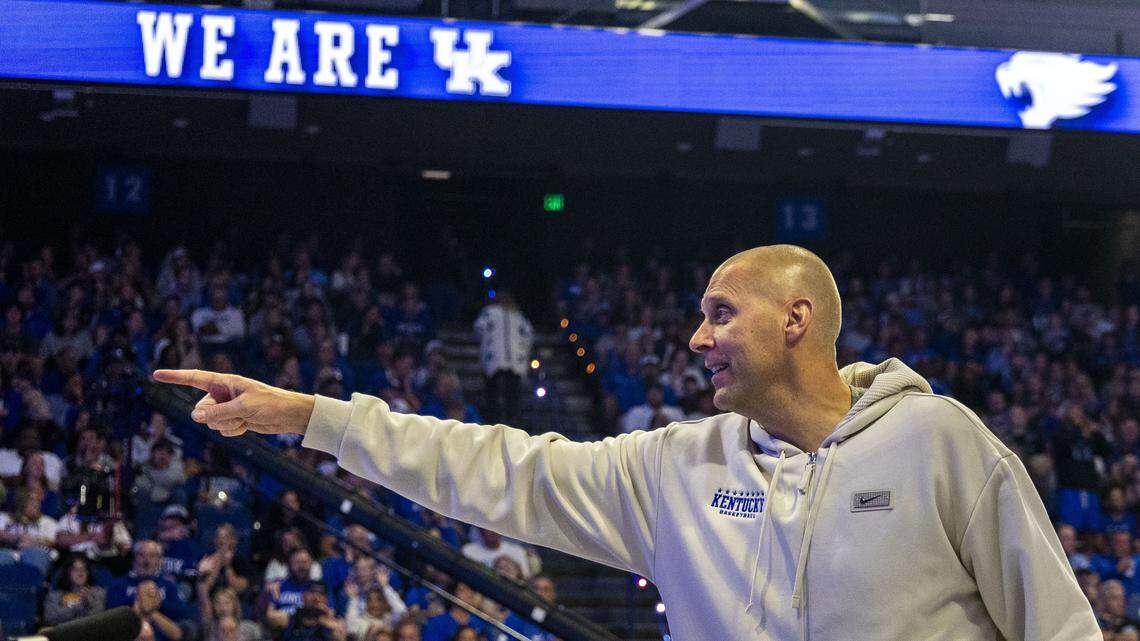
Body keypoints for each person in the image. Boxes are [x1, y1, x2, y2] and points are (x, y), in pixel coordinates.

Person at [156, 244, 1100, 640]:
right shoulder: (674, 467)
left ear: (797, 319)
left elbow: (1061, 630)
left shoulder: (937, 441)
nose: (695, 338)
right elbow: (495, 466)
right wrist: (313, 417)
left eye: (720, 313)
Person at [472, 291, 533, 424]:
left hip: (494, 358)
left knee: (492, 393)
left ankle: (494, 421)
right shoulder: (518, 316)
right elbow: (528, 335)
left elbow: (478, 329)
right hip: (515, 360)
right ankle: (511, 421)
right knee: (512, 395)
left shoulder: (489, 312)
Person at [43, 555, 107, 625]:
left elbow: (100, 616)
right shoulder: (55, 595)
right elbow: (50, 618)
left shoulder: (98, 592)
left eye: (83, 569)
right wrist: (78, 606)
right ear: (67, 573)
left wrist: (88, 604)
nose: (80, 572)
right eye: (75, 570)